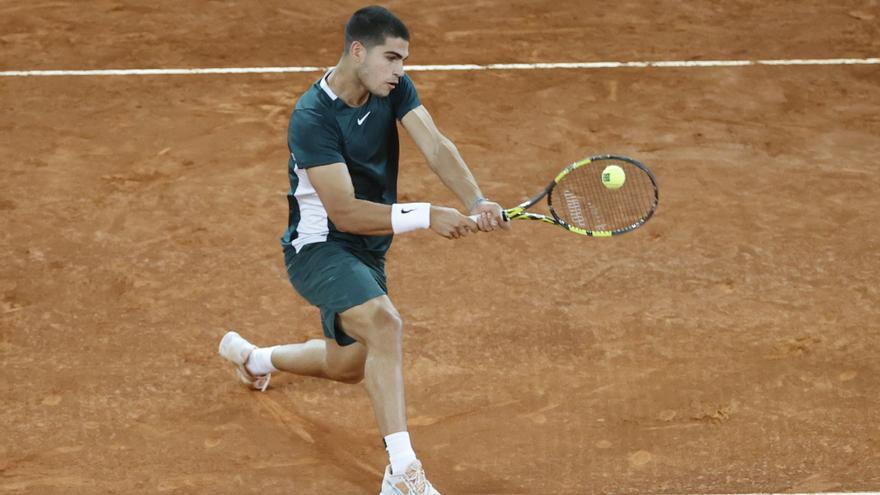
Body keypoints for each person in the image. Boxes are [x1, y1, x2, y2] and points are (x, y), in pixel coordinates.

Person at [218, 5, 507, 494]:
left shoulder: (394, 89)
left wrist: (475, 199)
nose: (400, 70)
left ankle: (255, 359)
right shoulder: (312, 116)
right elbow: (345, 212)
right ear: (358, 52)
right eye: (391, 58)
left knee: (348, 365)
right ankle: (402, 471)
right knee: (385, 322)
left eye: (404, 60)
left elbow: (435, 145)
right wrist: (427, 215)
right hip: (319, 248)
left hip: (369, 251)